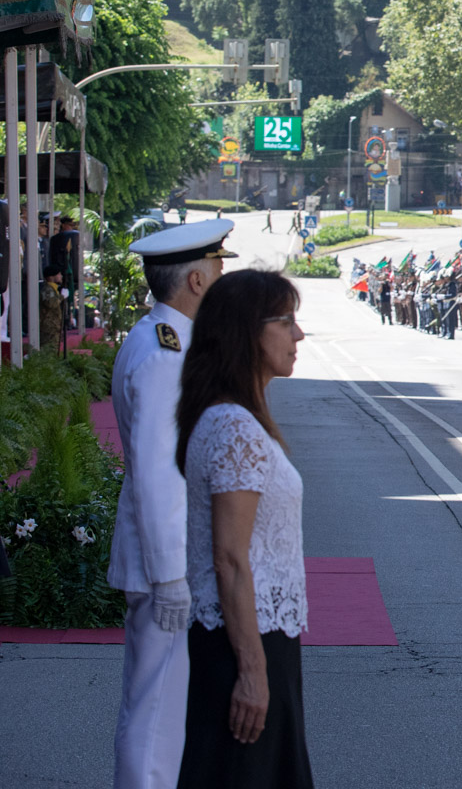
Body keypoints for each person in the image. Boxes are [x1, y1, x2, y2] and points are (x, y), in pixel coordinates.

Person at [109, 220, 236, 789]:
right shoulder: (165, 354)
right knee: (156, 709)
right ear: (194, 279)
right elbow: (160, 473)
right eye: (218, 271)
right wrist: (171, 577)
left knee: (161, 704)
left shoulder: (159, 339)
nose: (222, 281)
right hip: (167, 562)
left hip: (167, 557)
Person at [174, 269, 311, 786]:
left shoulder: (232, 417)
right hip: (244, 640)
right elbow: (230, 559)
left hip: (252, 632)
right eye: (286, 321)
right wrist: (253, 672)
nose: (298, 335)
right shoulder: (233, 427)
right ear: (246, 332)